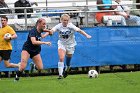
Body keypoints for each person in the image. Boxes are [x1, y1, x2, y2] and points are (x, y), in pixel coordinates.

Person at [50, 14, 92, 79]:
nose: (65, 22)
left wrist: (86, 35)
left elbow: (79, 30)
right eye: (64, 20)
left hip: (71, 45)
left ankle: (67, 68)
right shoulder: (58, 26)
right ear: (61, 20)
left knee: (68, 61)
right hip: (62, 44)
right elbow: (52, 30)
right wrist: (50, 33)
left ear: (68, 21)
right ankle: (60, 75)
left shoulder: (71, 26)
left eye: (66, 20)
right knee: (61, 58)